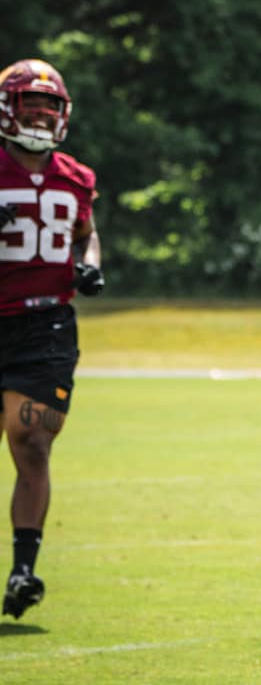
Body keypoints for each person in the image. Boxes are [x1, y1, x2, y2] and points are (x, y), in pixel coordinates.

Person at [0, 59, 104, 619]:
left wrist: (88, 265)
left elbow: (87, 235)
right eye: (29, 105)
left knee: (32, 442)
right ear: (7, 110)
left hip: (45, 326)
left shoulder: (76, 175)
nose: (40, 115)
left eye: (49, 106)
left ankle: (23, 570)